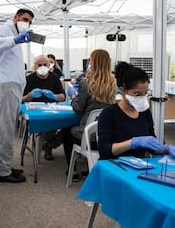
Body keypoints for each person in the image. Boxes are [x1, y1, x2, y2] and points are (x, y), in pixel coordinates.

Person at [0, 8, 34, 183]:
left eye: (29, 21)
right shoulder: (4, 31)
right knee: (4, 129)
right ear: (15, 17)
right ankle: (3, 172)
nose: (26, 23)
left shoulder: (16, 36)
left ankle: (5, 166)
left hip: (12, 87)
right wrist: (14, 40)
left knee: (8, 129)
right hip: (4, 86)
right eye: (24, 19)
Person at [62, 49, 116, 181]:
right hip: (107, 133)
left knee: (67, 132)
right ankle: (89, 166)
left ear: (93, 62)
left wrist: (73, 96)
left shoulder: (86, 83)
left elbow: (79, 109)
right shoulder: (113, 82)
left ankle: (72, 170)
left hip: (89, 135)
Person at [98, 62, 167, 159]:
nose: (142, 98)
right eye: (137, 94)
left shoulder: (145, 112)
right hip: (114, 165)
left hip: (138, 165)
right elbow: (104, 151)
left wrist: (166, 149)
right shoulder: (109, 113)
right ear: (123, 90)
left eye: (145, 93)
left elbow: (152, 148)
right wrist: (132, 142)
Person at [23, 55, 66, 160]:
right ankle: (43, 144)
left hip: (52, 111)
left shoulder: (54, 77)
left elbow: (63, 96)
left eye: (45, 65)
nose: (42, 67)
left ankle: (49, 145)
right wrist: (30, 95)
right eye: (40, 65)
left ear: (50, 65)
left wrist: (54, 96)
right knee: (39, 127)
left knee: (66, 127)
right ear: (35, 66)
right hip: (35, 112)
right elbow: (21, 99)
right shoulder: (29, 79)